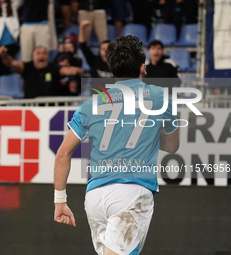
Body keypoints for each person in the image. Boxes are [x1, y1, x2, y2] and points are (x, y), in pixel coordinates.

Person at [53, 35, 179, 255]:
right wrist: (147, 134)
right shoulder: (161, 97)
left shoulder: (91, 104)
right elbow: (173, 146)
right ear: (143, 67)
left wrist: (60, 201)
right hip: (131, 193)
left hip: (94, 197)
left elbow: (63, 153)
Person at [0, 45, 83, 98]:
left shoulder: (54, 68)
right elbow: (11, 63)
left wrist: (74, 70)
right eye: (38, 53)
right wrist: (4, 56)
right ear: (33, 56)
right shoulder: (26, 67)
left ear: (48, 56)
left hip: (52, 108)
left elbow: (66, 70)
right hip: (30, 108)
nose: (41, 55)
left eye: (44, 53)